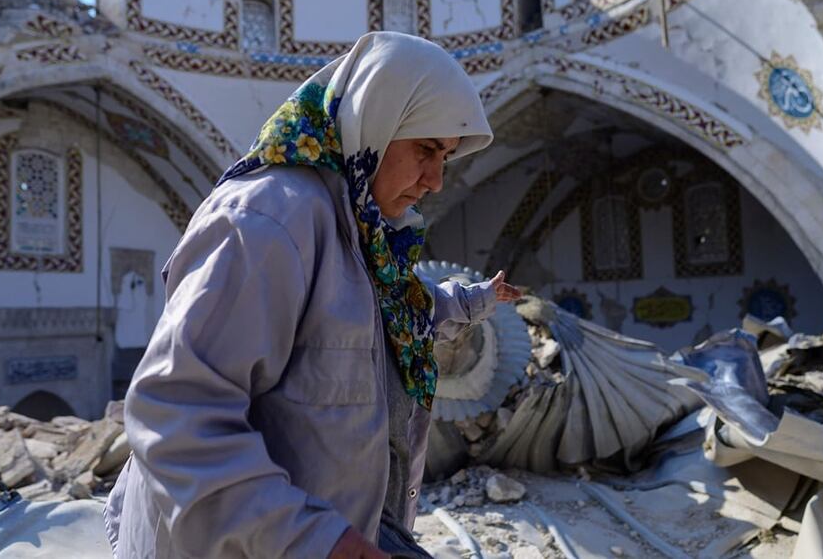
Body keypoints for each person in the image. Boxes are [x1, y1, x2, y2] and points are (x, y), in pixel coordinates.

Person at [103, 31, 521, 558]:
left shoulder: (364, 234)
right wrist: (313, 539)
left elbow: (409, 307)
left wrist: (481, 299)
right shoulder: (268, 221)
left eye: (447, 158)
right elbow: (175, 412)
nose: (436, 180)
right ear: (377, 121)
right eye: (426, 149)